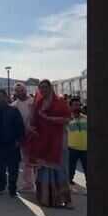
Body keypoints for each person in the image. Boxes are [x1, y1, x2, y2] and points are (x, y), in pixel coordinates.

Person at [28, 79, 73, 208]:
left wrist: (49, 118)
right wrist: (31, 128)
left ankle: (65, 200)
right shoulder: (38, 103)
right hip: (43, 140)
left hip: (58, 140)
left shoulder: (60, 102)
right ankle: (46, 199)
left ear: (50, 88)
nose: (43, 89)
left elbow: (67, 119)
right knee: (44, 169)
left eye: (45, 87)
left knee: (60, 168)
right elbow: (34, 121)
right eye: (41, 87)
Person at [0, 89, 25, 197]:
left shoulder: (13, 110)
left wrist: (19, 140)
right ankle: (1, 187)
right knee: (0, 168)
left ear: (5, 97)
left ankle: (12, 190)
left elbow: (20, 127)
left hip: (12, 144)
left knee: (13, 168)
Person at [11, 82, 36, 192]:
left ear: (25, 90)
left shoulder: (34, 102)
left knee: (37, 161)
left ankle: (40, 184)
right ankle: (28, 185)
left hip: (35, 136)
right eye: (17, 91)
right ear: (15, 93)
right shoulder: (14, 105)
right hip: (22, 137)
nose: (20, 92)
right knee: (26, 162)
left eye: (22, 90)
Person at [68, 96, 87, 187]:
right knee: (71, 168)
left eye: (79, 105)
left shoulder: (86, 118)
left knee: (87, 169)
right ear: (70, 107)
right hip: (72, 148)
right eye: (75, 105)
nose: (77, 107)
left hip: (85, 148)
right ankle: (69, 183)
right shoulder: (67, 119)